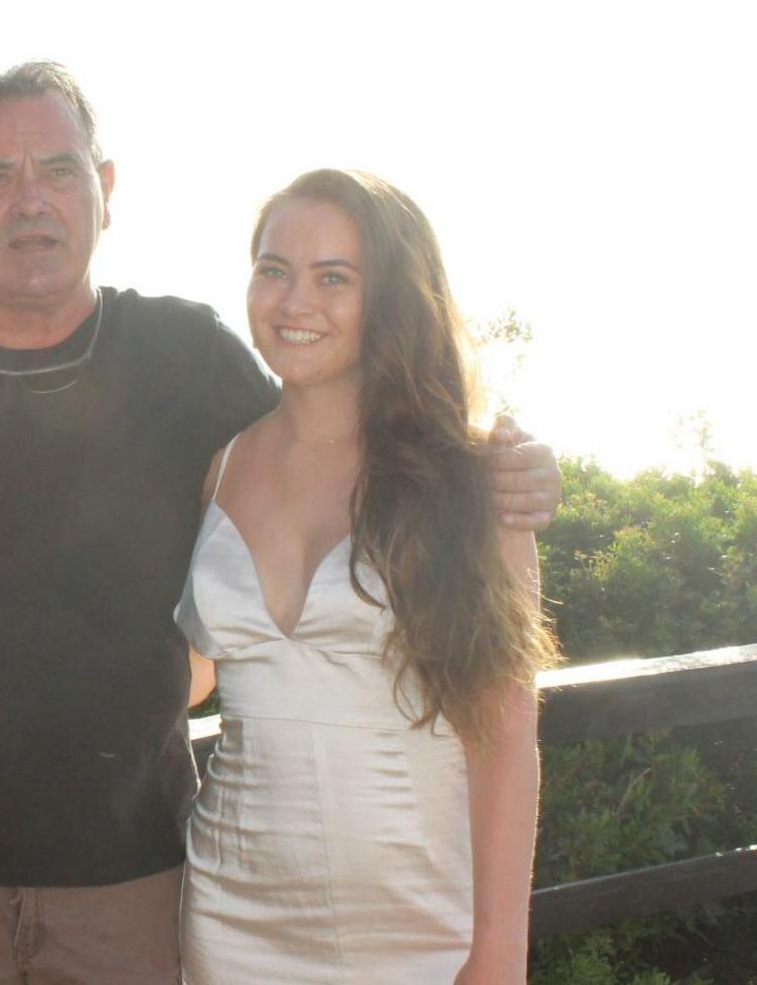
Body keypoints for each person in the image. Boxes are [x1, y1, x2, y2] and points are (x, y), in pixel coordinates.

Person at [0, 63, 563, 981]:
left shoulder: (191, 368)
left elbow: (360, 438)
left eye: (57, 169)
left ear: (106, 190)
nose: (30, 202)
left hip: (135, 883)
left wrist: (504, 454)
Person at [177, 168, 557, 983]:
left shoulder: (468, 477)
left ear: (391, 298)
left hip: (420, 929)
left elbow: (506, 735)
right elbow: (195, 676)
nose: (293, 301)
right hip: (229, 918)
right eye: (274, 269)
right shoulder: (222, 464)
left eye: (334, 278)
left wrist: (498, 949)